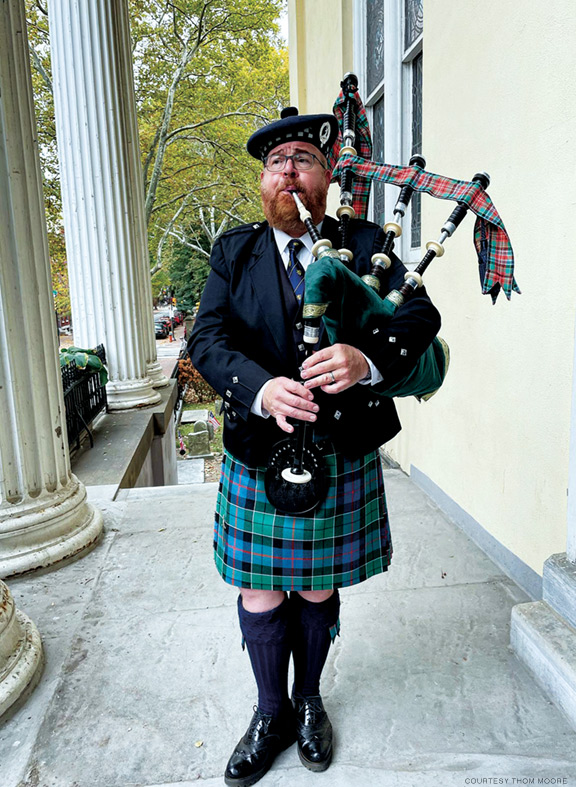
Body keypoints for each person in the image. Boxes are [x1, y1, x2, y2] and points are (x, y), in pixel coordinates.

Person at [188, 107, 440, 786]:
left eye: (302, 158)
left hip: (339, 445)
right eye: (276, 163)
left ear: (327, 175)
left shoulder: (365, 244)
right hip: (256, 445)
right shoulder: (234, 251)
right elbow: (206, 339)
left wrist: (367, 358)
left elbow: (421, 316)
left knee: (316, 581)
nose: (288, 172)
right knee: (261, 588)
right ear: (264, 183)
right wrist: (261, 388)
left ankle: (310, 701)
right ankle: (270, 711)